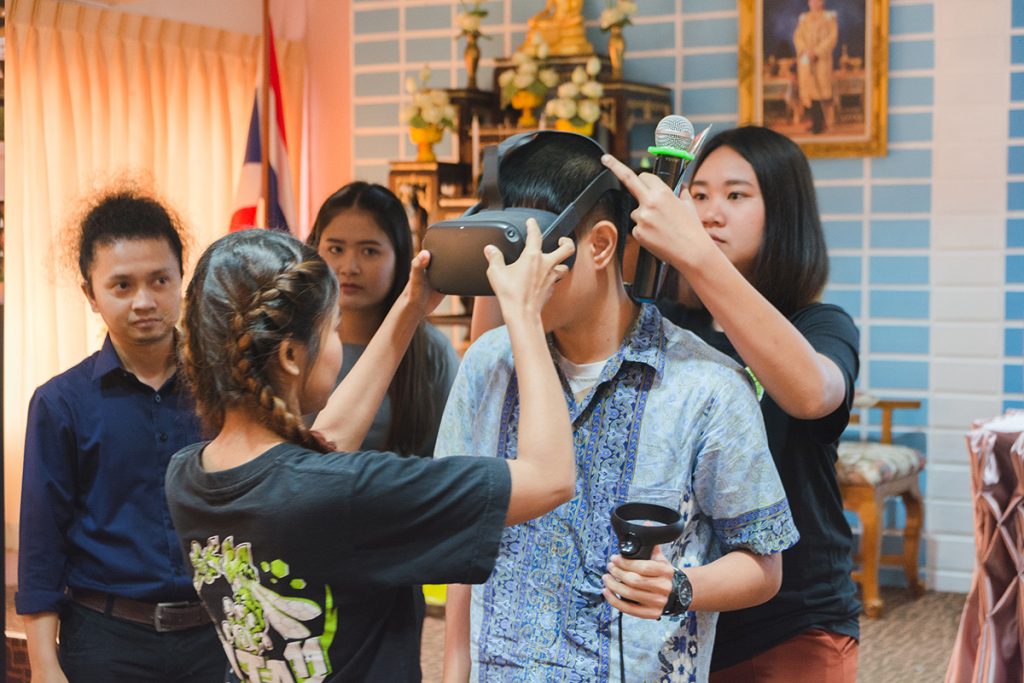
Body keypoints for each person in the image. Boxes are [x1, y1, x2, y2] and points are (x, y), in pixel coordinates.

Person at [439, 131, 800, 682]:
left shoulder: (707, 386)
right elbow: (463, 537)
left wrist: (681, 587)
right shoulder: (488, 364)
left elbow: (763, 565)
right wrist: (453, 670)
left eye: (528, 255)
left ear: (601, 245)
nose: (511, 280)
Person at [165, 224, 577, 682]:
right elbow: (549, 478)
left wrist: (411, 306)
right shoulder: (343, 492)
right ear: (291, 356)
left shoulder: (188, 476)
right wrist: (524, 316)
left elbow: (322, 448)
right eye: (334, 327)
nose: (338, 341)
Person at [601, 125, 861, 682]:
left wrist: (697, 257)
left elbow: (812, 394)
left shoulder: (819, 325)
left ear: (783, 214)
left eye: (736, 195)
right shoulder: (666, 324)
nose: (709, 213)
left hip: (793, 620)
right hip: (677, 615)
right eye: (698, 195)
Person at [16, 186, 225, 682]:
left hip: (217, 637)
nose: (144, 301)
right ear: (91, 295)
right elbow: (42, 547)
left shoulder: (224, 389)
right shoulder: (60, 404)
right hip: (106, 641)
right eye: (122, 286)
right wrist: (44, 666)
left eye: (159, 280)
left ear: (182, 279)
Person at [306, 181, 458, 457]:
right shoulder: (295, 342)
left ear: (399, 258)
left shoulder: (431, 351)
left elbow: (449, 455)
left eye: (369, 251)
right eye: (336, 249)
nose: (349, 267)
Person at [793, 0, 838, 134]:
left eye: (817, 1)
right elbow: (797, 37)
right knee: (810, 93)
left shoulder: (829, 18)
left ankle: (822, 124)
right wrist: (805, 50)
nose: (814, 3)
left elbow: (832, 38)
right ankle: (815, 123)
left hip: (821, 60)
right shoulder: (804, 19)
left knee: (820, 92)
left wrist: (816, 52)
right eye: (812, 1)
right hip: (806, 60)